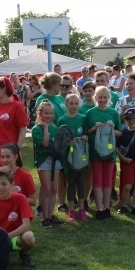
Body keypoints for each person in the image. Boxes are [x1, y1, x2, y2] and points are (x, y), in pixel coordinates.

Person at [86, 86, 122, 219]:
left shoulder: (113, 113)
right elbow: (87, 131)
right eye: (99, 97)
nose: (102, 100)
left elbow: (120, 132)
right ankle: (99, 208)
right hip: (96, 153)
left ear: (109, 98)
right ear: (95, 97)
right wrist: (95, 127)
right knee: (97, 179)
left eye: (105, 97)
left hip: (110, 152)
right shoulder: (91, 113)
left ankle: (107, 207)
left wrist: (112, 129)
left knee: (107, 180)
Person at [0, 76, 28, 174]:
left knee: (11, 183)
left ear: (3, 89)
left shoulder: (17, 106)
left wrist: (17, 149)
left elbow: (22, 129)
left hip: (9, 155)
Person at [58, 93, 89, 221]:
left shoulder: (83, 118)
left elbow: (87, 134)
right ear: (66, 105)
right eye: (71, 103)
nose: (74, 106)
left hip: (81, 156)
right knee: (71, 182)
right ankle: (71, 209)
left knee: (80, 181)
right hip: (68, 157)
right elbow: (60, 140)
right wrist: (67, 143)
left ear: (79, 104)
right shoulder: (62, 120)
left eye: (76, 103)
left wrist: (85, 137)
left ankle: (81, 209)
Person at [32, 101, 62, 229]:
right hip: (44, 161)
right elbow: (45, 144)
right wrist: (45, 129)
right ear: (40, 113)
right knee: (46, 189)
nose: (49, 116)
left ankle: (50, 215)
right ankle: (44, 217)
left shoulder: (55, 127)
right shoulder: (36, 129)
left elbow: (59, 144)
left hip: (56, 160)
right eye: (46, 113)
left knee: (54, 189)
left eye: (50, 113)